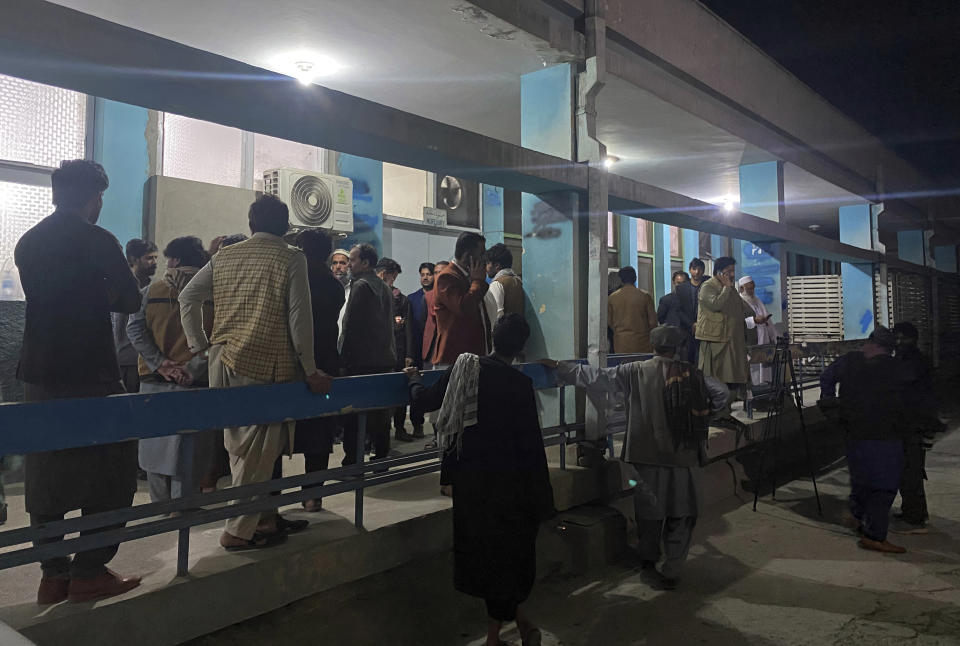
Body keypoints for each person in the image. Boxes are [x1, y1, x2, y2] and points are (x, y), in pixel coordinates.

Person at [15, 159, 142, 603]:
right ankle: (89, 571)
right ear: (94, 198)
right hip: (91, 371)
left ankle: (53, 575)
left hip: (38, 371)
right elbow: (129, 296)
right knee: (113, 471)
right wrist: (96, 292)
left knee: (46, 473)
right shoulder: (97, 239)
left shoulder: (27, 242)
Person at [179, 194, 333, 551]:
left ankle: (263, 519)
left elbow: (188, 297)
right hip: (269, 364)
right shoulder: (291, 258)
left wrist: (199, 345)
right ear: (286, 226)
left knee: (239, 449)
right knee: (260, 453)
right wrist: (310, 368)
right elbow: (299, 319)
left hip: (223, 362)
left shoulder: (225, 255)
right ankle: (237, 531)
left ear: (251, 225)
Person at [406, 314, 554, 646]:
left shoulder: (466, 369)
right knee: (508, 559)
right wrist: (543, 500)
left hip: (473, 484)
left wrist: (414, 379)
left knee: (486, 558)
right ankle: (501, 634)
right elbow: (532, 447)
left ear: (492, 338)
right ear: (521, 350)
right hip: (512, 488)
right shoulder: (520, 385)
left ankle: (506, 632)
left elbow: (426, 401)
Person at [544, 326, 728, 590]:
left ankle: (649, 561)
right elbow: (721, 393)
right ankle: (672, 570)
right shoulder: (693, 374)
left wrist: (560, 366)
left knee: (650, 515)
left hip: (645, 457)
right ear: (677, 348)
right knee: (682, 514)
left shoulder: (635, 371)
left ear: (652, 347)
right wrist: (703, 417)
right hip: (685, 458)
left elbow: (596, 377)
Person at [127, 236, 218, 503]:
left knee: (155, 445)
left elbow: (135, 329)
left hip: (155, 379)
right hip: (195, 382)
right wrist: (192, 368)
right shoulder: (212, 294)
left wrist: (161, 363)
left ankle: (159, 506)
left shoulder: (151, 292)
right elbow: (218, 336)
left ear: (175, 260)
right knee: (190, 447)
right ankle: (183, 506)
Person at [819, 326, 908, 554]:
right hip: (884, 433)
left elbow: (827, 376)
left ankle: (857, 517)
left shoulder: (850, 360)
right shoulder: (892, 367)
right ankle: (875, 536)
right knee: (884, 485)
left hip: (853, 429)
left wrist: (829, 403)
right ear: (887, 348)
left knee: (861, 477)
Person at [275, 229, 346, 512]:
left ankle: (272, 501)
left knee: (277, 433)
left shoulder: (292, 279)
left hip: (290, 363)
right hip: (326, 363)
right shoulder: (334, 286)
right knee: (319, 431)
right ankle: (312, 496)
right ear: (328, 254)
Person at [338, 243, 396, 465]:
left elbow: (351, 325)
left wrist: (343, 359)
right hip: (384, 360)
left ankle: (352, 461)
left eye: (352, 260)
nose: (349, 265)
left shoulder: (361, 286)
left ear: (365, 263)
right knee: (380, 414)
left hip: (362, 362)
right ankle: (381, 458)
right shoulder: (383, 287)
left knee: (354, 415)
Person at [891, 322, 939, 534]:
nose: (900, 342)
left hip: (914, 425)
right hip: (905, 424)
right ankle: (910, 509)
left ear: (913, 339)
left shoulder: (916, 362)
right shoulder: (902, 360)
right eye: (897, 338)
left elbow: (908, 385)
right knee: (904, 471)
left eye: (904, 338)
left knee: (912, 471)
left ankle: (916, 518)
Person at [695, 257, 752, 402]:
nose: (733, 274)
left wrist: (755, 317)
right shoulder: (708, 286)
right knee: (718, 379)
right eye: (729, 271)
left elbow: (741, 306)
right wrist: (726, 288)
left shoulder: (730, 288)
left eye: (733, 271)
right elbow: (716, 305)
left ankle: (727, 411)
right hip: (716, 341)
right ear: (720, 272)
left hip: (731, 340)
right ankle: (718, 413)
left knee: (733, 377)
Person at [434, 233, 489, 366]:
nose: (484, 258)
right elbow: (463, 307)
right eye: (481, 253)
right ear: (467, 256)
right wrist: (477, 282)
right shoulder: (447, 277)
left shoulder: (465, 276)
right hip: (453, 356)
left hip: (468, 355)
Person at [376, 257, 415, 442]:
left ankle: (399, 428)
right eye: (392, 276)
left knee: (400, 390)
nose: (393, 281)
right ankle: (375, 437)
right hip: (378, 353)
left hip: (398, 352)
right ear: (384, 274)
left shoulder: (401, 299)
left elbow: (409, 330)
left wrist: (408, 354)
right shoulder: (370, 293)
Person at [112, 239, 158, 395]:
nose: (154, 262)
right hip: (127, 362)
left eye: (155, 258)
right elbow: (117, 328)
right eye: (149, 258)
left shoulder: (153, 289)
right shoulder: (122, 287)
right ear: (133, 260)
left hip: (148, 360)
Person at [406, 262, 436, 438]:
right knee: (415, 388)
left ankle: (435, 427)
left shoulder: (439, 297)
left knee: (433, 387)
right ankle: (417, 425)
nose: (425, 277)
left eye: (428, 274)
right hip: (416, 349)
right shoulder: (412, 298)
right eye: (422, 274)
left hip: (433, 350)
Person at [607, 266, 658, 353]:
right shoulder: (645, 296)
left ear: (621, 279)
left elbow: (610, 321)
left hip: (621, 343)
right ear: (635, 278)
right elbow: (653, 322)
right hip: (643, 343)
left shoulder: (612, 297)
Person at [738, 276, 778, 386]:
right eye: (749, 289)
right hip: (751, 343)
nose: (751, 291)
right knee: (754, 372)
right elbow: (738, 323)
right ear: (742, 289)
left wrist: (775, 337)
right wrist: (754, 320)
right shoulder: (738, 303)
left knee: (765, 373)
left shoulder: (757, 300)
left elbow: (768, 321)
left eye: (752, 288)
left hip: (763, 341)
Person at [483, 242, 524, 326]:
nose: (485, 267)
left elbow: (497, 317)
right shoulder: (518, 281)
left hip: (503, 335)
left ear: (497, 265)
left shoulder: (497, 284)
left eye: (487, 263)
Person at [657, 271, 695, 358]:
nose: (680, 285)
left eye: (683, 283)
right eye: (678, 283)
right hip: (671, 338)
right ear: (674, 283)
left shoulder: (692, 300)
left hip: (688, 338)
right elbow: (660, 317)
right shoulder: (666, 300)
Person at [422, 260, 450, 368]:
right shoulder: (427, 297)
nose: (438, 276)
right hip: (431, 348)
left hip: (449, 347)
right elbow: (422, 323)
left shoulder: (456, 295)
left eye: (441, 272)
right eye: (436, 272)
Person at [687, 258, 707, 364]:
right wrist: (691, 324)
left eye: (699, 269)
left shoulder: (708, 285)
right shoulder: (682, 288)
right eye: (694, 269)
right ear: (690, 270)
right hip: (688, 330)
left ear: (703, 271)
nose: (697, 272)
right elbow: (679, 310)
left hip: (705, 328)